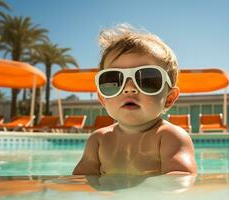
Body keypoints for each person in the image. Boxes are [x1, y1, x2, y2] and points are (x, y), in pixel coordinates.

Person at [73, 24, 197, 176]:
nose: (129, 88)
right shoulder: (98, 141)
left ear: (169, 98)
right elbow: (79, 182)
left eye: (147, 79)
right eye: (114, 80)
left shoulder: (170, 137)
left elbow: (181, 179)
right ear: (103, 99)